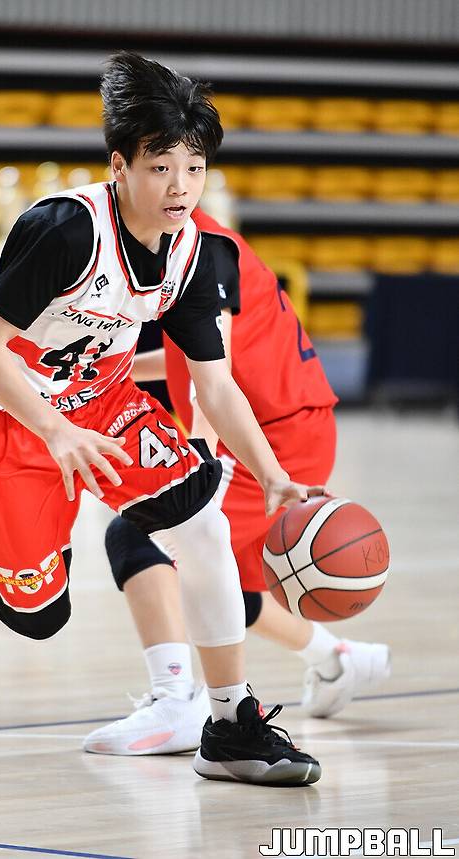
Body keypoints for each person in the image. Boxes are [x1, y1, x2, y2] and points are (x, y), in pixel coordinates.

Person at [0, 52, 324, 786]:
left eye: (194, 168)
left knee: (202, 518)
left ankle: (230, 724)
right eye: (161, 168)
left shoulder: (194, 254)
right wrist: (54, 430)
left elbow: (215, 386)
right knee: (35, 613)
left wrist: (273, 474)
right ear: (120, 165)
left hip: (103, 401)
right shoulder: (63, 229)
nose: (180, 187)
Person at [82, 208, 391, 756]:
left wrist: (200, 451)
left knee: (142, 532)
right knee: (226, 586)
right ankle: (337, 660)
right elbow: (187, 354)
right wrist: (110, 372)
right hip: (291, 427)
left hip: (270, 437)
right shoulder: (178, 239)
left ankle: (176, 699)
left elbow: (214, 364)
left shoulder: (200, 246)